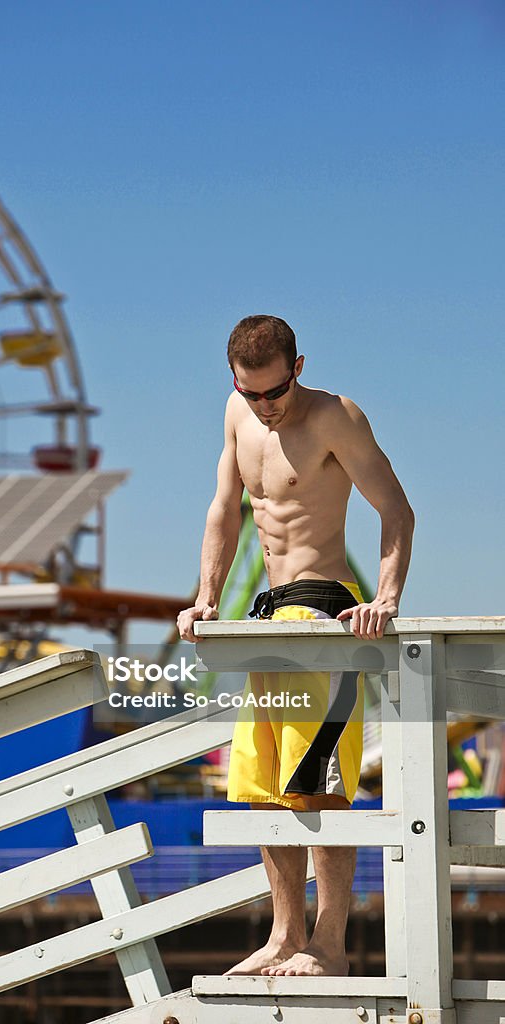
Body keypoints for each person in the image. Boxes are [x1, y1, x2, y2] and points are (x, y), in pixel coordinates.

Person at [177, 315, 414, 977]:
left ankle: (329, 943)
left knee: (320, 787)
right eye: (250, 393)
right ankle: (283, 936)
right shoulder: (236, 411)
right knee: (260, 787)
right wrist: (206, 597)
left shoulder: (334, 417)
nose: (263, 407)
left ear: (298, 367)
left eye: (273, 393)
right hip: (266, 620)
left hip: (323, 616)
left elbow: (396, 507)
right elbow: (225, 509)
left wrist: (386, 598)